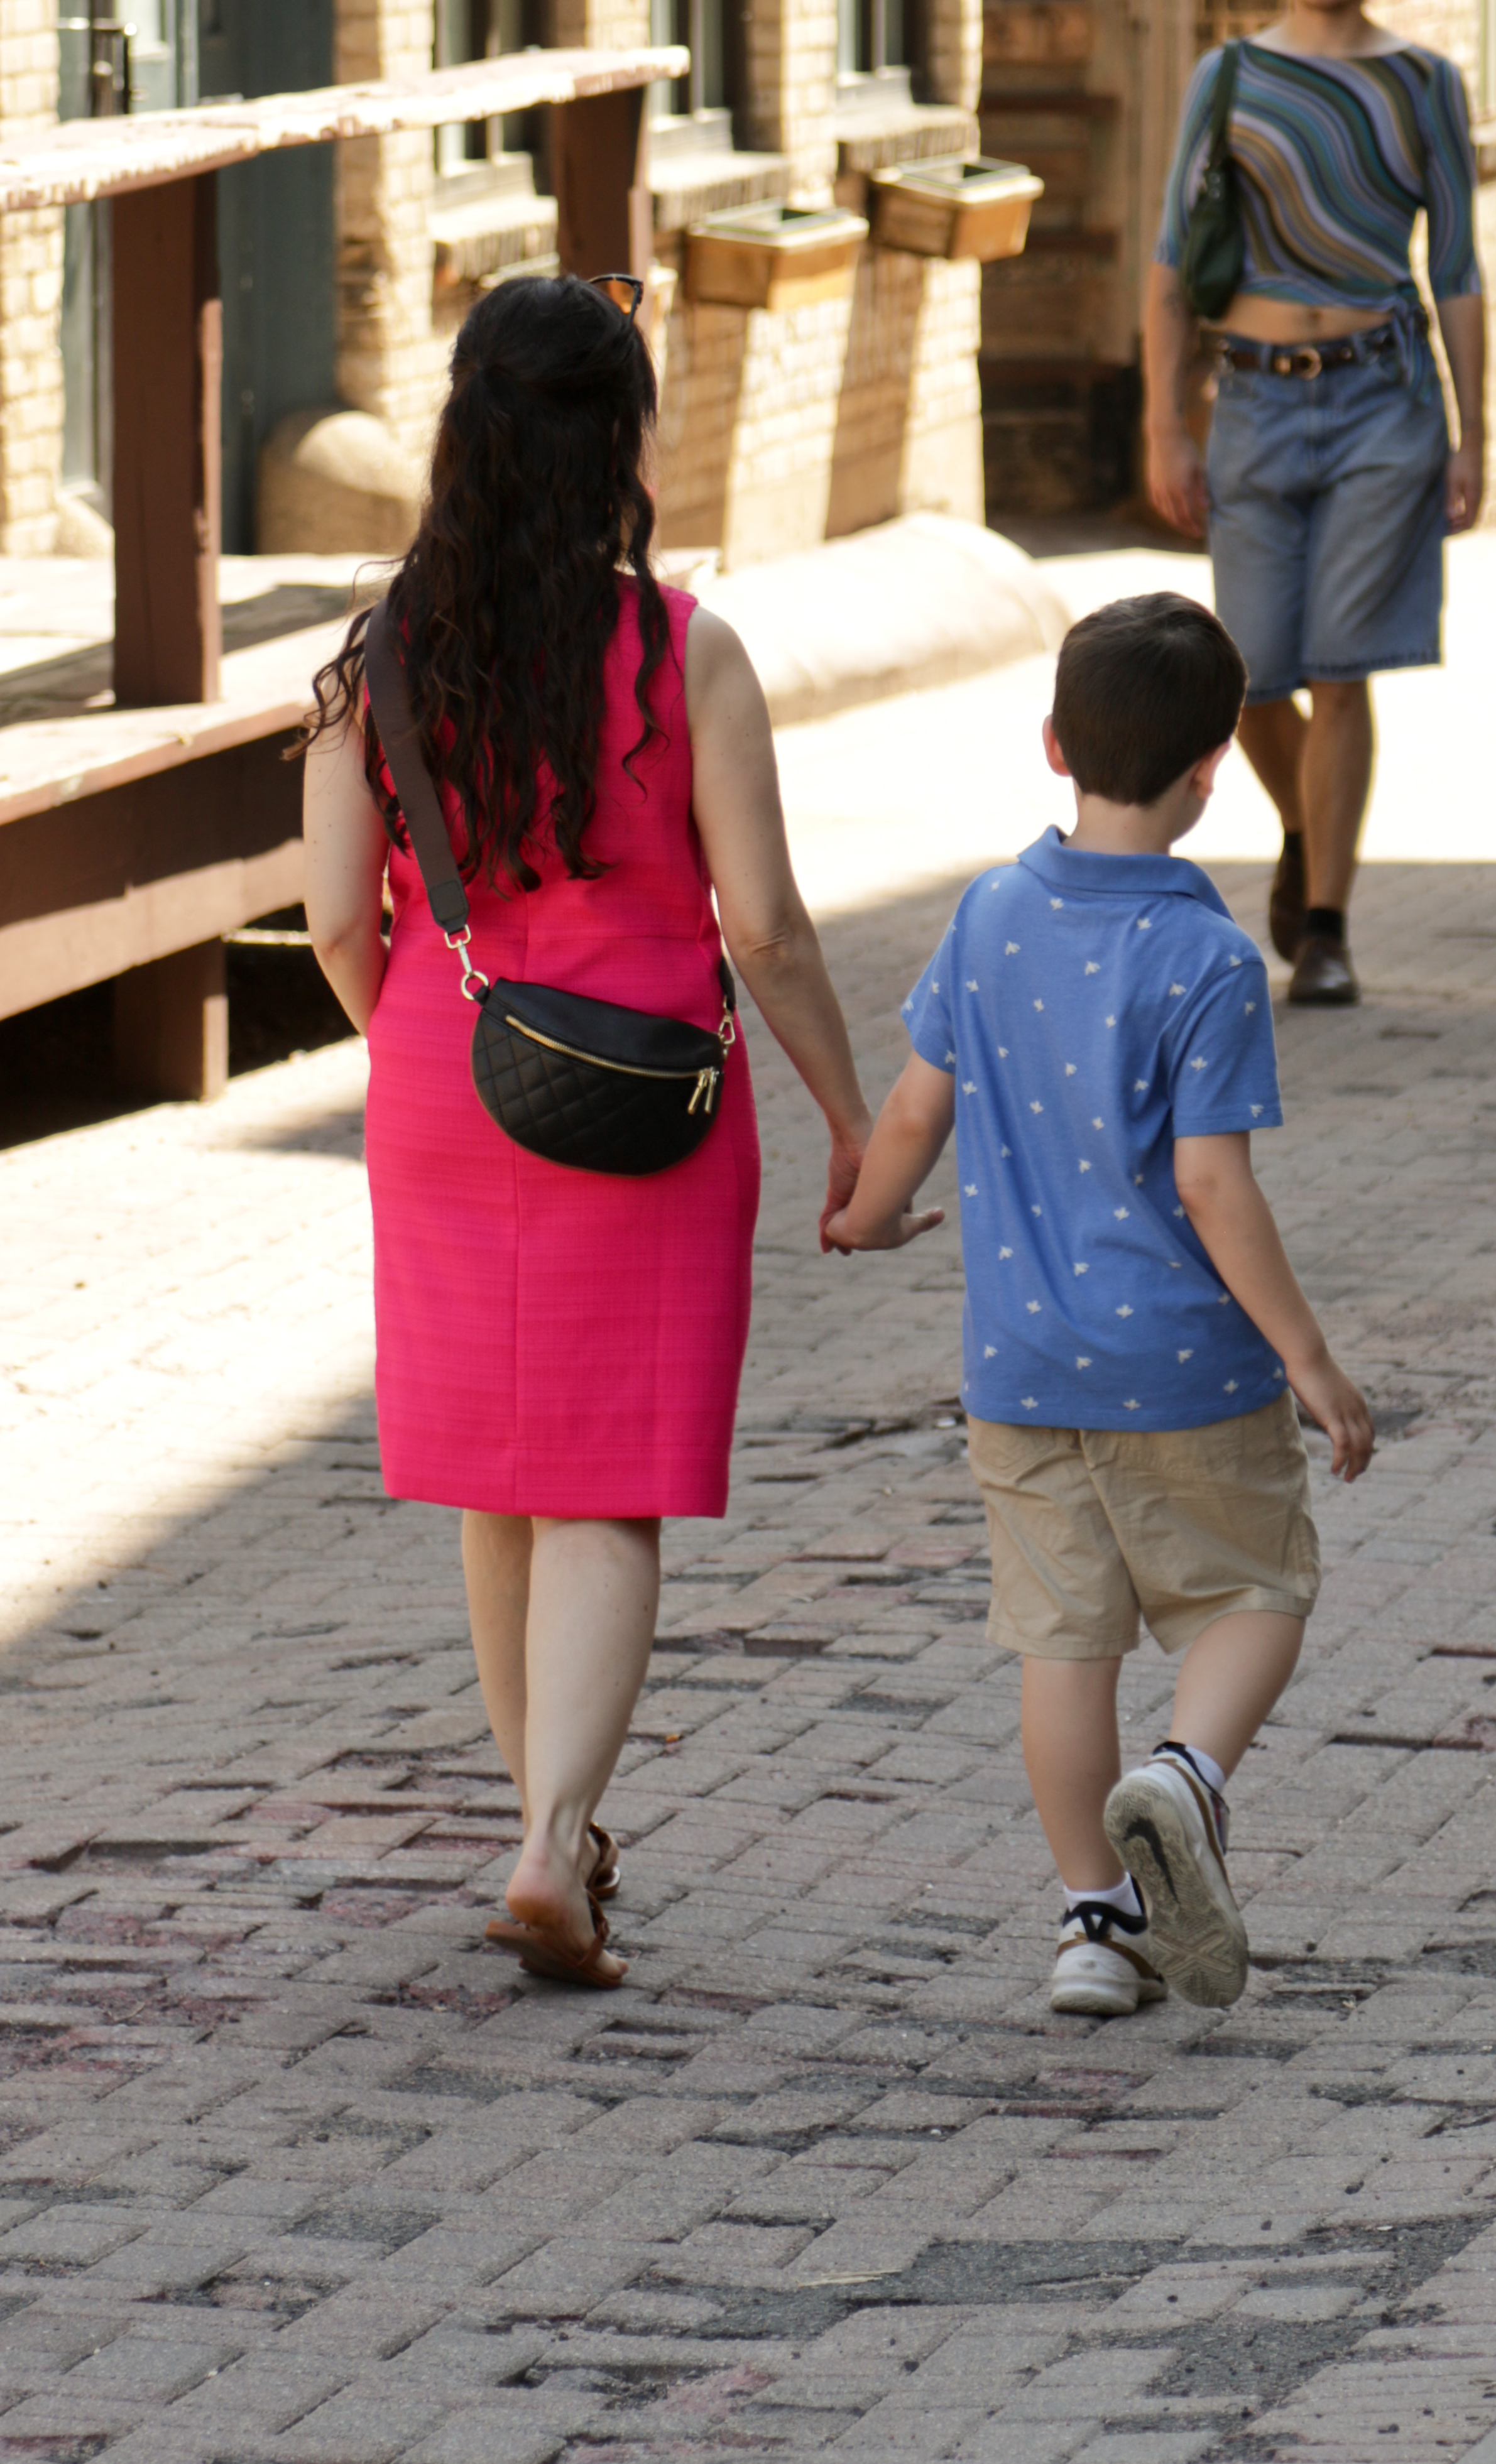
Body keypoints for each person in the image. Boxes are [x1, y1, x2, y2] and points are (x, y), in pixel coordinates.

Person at [302, 274, 875, 1992]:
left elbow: (338, 919)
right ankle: (554, 1837)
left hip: (444, 1078)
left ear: (462, 438)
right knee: (606, 1484)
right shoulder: (682, 644)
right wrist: (849, 1114)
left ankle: (544, 1827)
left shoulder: (376, 645)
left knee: (499, 1479)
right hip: (649, 1100)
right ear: (621, 438)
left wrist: (425, 1055)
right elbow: (763, 923)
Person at [826, 595, 1373, 2014]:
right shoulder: (1205, 961)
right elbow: (1210, 1182)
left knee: (1060, 1649)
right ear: (1209, 773)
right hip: (1186, 1365)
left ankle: (1092, 1917)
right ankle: (1184, 1777)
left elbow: (911, 1101)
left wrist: (870, 1213)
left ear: (1053, 742)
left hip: (1021, 1370)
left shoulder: (990, 912)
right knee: (1253, 1589)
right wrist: (1304, 1357)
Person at [1145, 0, 1485, 1008]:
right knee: (1240, 676)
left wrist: (1473, 435)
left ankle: (1327, 928)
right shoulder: (1229, 76)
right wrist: (1165, 423)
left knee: (1341, 668)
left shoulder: (1425, 81)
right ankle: (1310, 823)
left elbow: (1457, 266)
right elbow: (1171, 261)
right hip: (1251, 398)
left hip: (1384, 398)